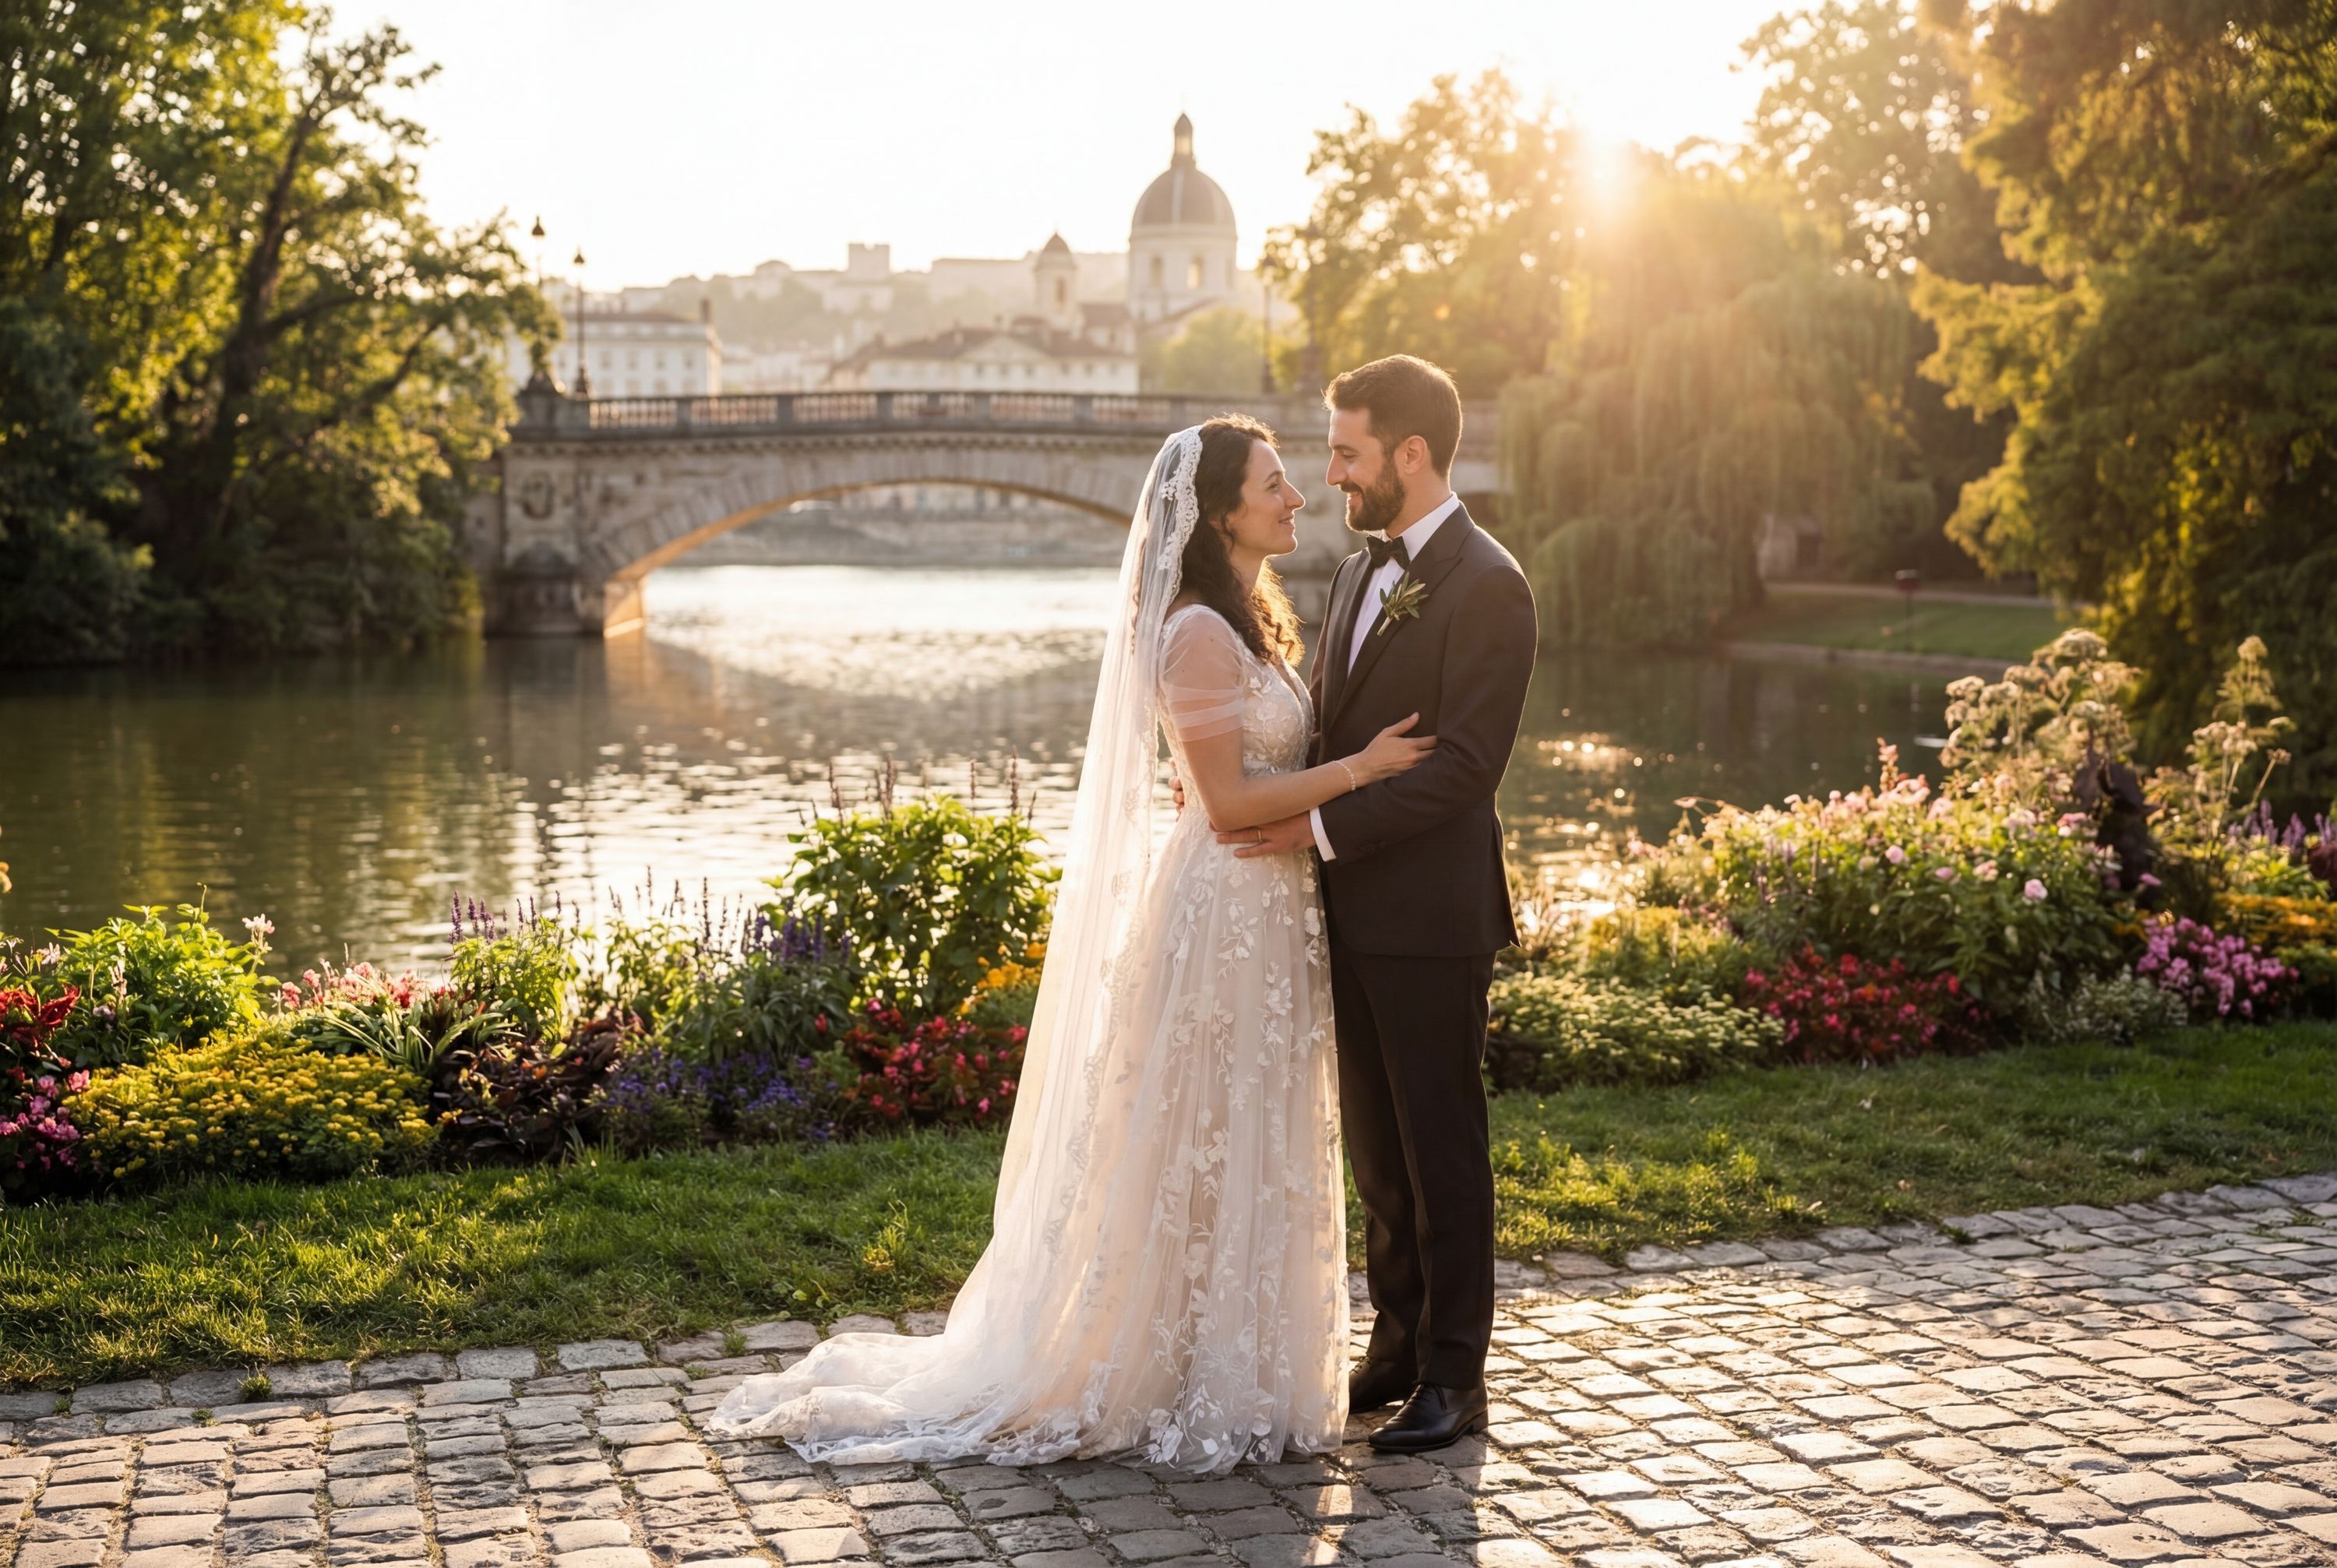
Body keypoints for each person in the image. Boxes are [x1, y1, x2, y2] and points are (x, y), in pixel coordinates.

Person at [707, 414, 1434, 1473]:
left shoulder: (1252, 618)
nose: (1297, 498)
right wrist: (1361, 771)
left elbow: (1221, 778)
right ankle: (1166, 1364)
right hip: (1224, 911)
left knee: (1251, 1129)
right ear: (1221, 509)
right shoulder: (1193, 629)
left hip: (1269, 911)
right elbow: (1227, 803)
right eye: (1277, 484)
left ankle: (1241, 1357)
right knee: (1199, 1136)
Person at [1219, 354, 1537, 1452]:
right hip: (1347, 912)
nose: (1332, 472)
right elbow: (1336, 728)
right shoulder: (1361, 571)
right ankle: (1396, 1342)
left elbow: (1464, 770)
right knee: (1379, 1154)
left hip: (1433, 917)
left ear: (1411, 452)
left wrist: (1315, 826)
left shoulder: (1491, 584)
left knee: (1442, 1144)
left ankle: (1457, 1374)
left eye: (1348, 450)